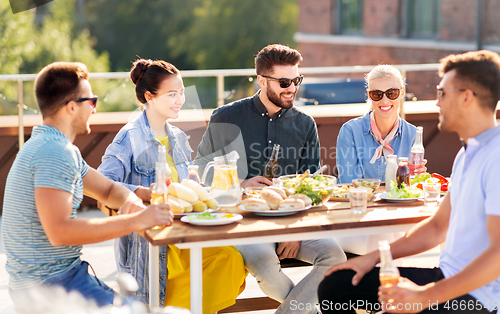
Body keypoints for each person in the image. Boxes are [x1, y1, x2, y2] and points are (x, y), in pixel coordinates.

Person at [318, 50, 500, 313]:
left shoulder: (495, 156)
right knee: (337, 285)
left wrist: (425, 296)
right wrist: (371, 260)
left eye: (442, 93)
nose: (437, 103)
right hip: (446, 279)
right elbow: (438, 226)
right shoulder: (467, 152)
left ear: (466, 98)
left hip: (476, 298)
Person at [1, 62, 173, 311]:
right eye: (91, 101)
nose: (94, 109)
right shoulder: (54, 153)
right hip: (50, 287)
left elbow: (108, 190)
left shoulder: (52, 145)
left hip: (56, 280)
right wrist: (135, 222)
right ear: (71, 107)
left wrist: (136, 199)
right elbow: (60, 231)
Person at [194, 44, 346, 314]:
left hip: (294, 219)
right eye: (285, 82)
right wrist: (239, 184)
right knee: (264, 260)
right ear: (262, 80)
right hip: (244, 222)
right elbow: (200, 171)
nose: (292, 88)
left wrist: (297, 232)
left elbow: (311, 184)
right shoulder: (225, 117)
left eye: (296, 80)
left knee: (335, 256)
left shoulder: (305, 124)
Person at [97, 58, 246, 313]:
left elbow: (183, 187)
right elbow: (103, 185)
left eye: (182, 92)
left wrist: (195, 186)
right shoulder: (129, 137)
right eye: (172, 94)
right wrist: (144, 195)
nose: (180, 100)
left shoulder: (178, 137)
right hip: (152, 247)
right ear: (149, 96)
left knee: (231, 258)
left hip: (185, 234)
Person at [336, 65, 425, 184]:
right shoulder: (350, 131)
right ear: (369, 95)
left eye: (392, 93)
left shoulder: (413, 134)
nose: (384, 101)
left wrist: (416, 178)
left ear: (402, 92)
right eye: (377, 94)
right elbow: (350, 184)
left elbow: (411, 188)